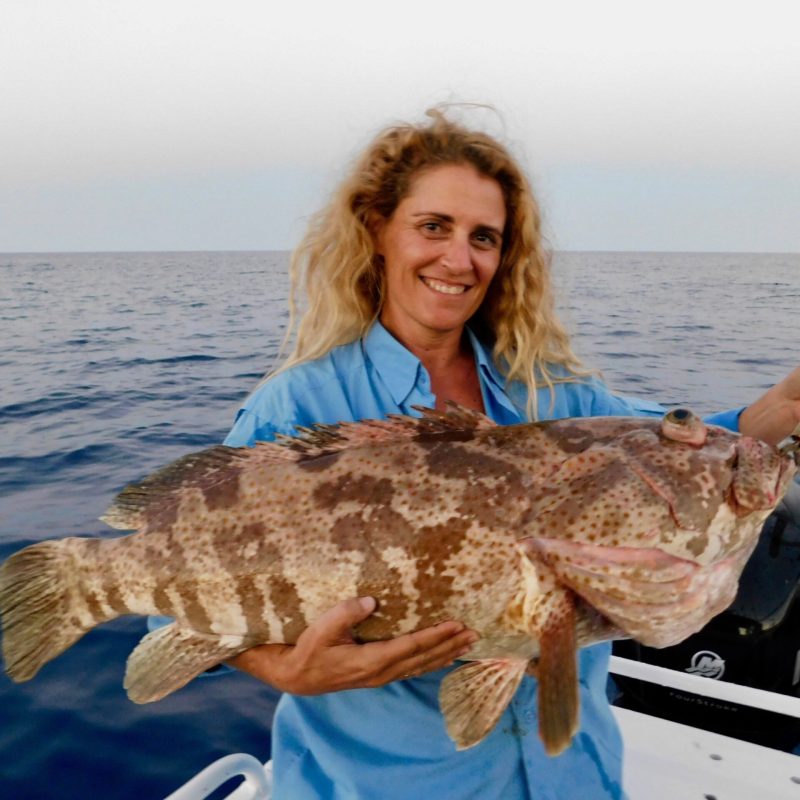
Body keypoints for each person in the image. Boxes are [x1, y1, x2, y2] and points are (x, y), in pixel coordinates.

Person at [220, 109, 800, 799]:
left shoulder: (552, 392)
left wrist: (782, 410)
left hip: (574, 777)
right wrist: (285, 672)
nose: (458, 259)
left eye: (484, 237)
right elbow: (181, 594)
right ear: (377, 229)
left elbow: (676, 448)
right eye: (433, 226)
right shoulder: (297, 407)